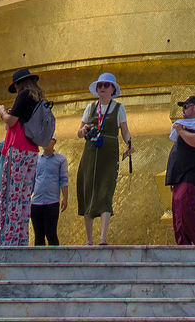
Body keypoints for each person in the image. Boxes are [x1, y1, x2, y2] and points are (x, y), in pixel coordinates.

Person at [77, 72, 133, 244]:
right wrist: (85, 129)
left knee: (106, 190)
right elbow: (78, 133)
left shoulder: (118, 108)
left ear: (112, 89)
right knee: (88, 189)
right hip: (91, 151)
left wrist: (130, 144)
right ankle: (88, 238)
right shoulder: (90, 108)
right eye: (100, 86)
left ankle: (102, 236)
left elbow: (124, 130)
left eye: (106, 86)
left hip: (108, 152)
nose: (102, 89)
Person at [0, 68, 44, 246]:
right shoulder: (38, 98)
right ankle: (21, 239)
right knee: (24, 197)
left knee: (11, 195)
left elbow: (11, 120)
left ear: (18, 85)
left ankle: (8, 240)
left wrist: (1, 111)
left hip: (18, 149)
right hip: (32, 151)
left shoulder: (23, 96)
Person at [165, 94, 195, 245]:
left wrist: (181, 131)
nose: (183, 110)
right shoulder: (184, 126)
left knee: (185, 204)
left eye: (185, 106)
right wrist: (173, 176)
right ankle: (183, 243)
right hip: (180, 175)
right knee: (178, 210)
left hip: (194, 174)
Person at [30, 134, 68, 246]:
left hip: (52, 202)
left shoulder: (60, 160)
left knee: (51, 233)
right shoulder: (36, 159)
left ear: (54, 141)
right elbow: (32, 179)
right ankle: (39, 262)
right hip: (36, 202)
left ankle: (55, 261)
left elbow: (63, 179)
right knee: (38, 235)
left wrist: (65, 198)